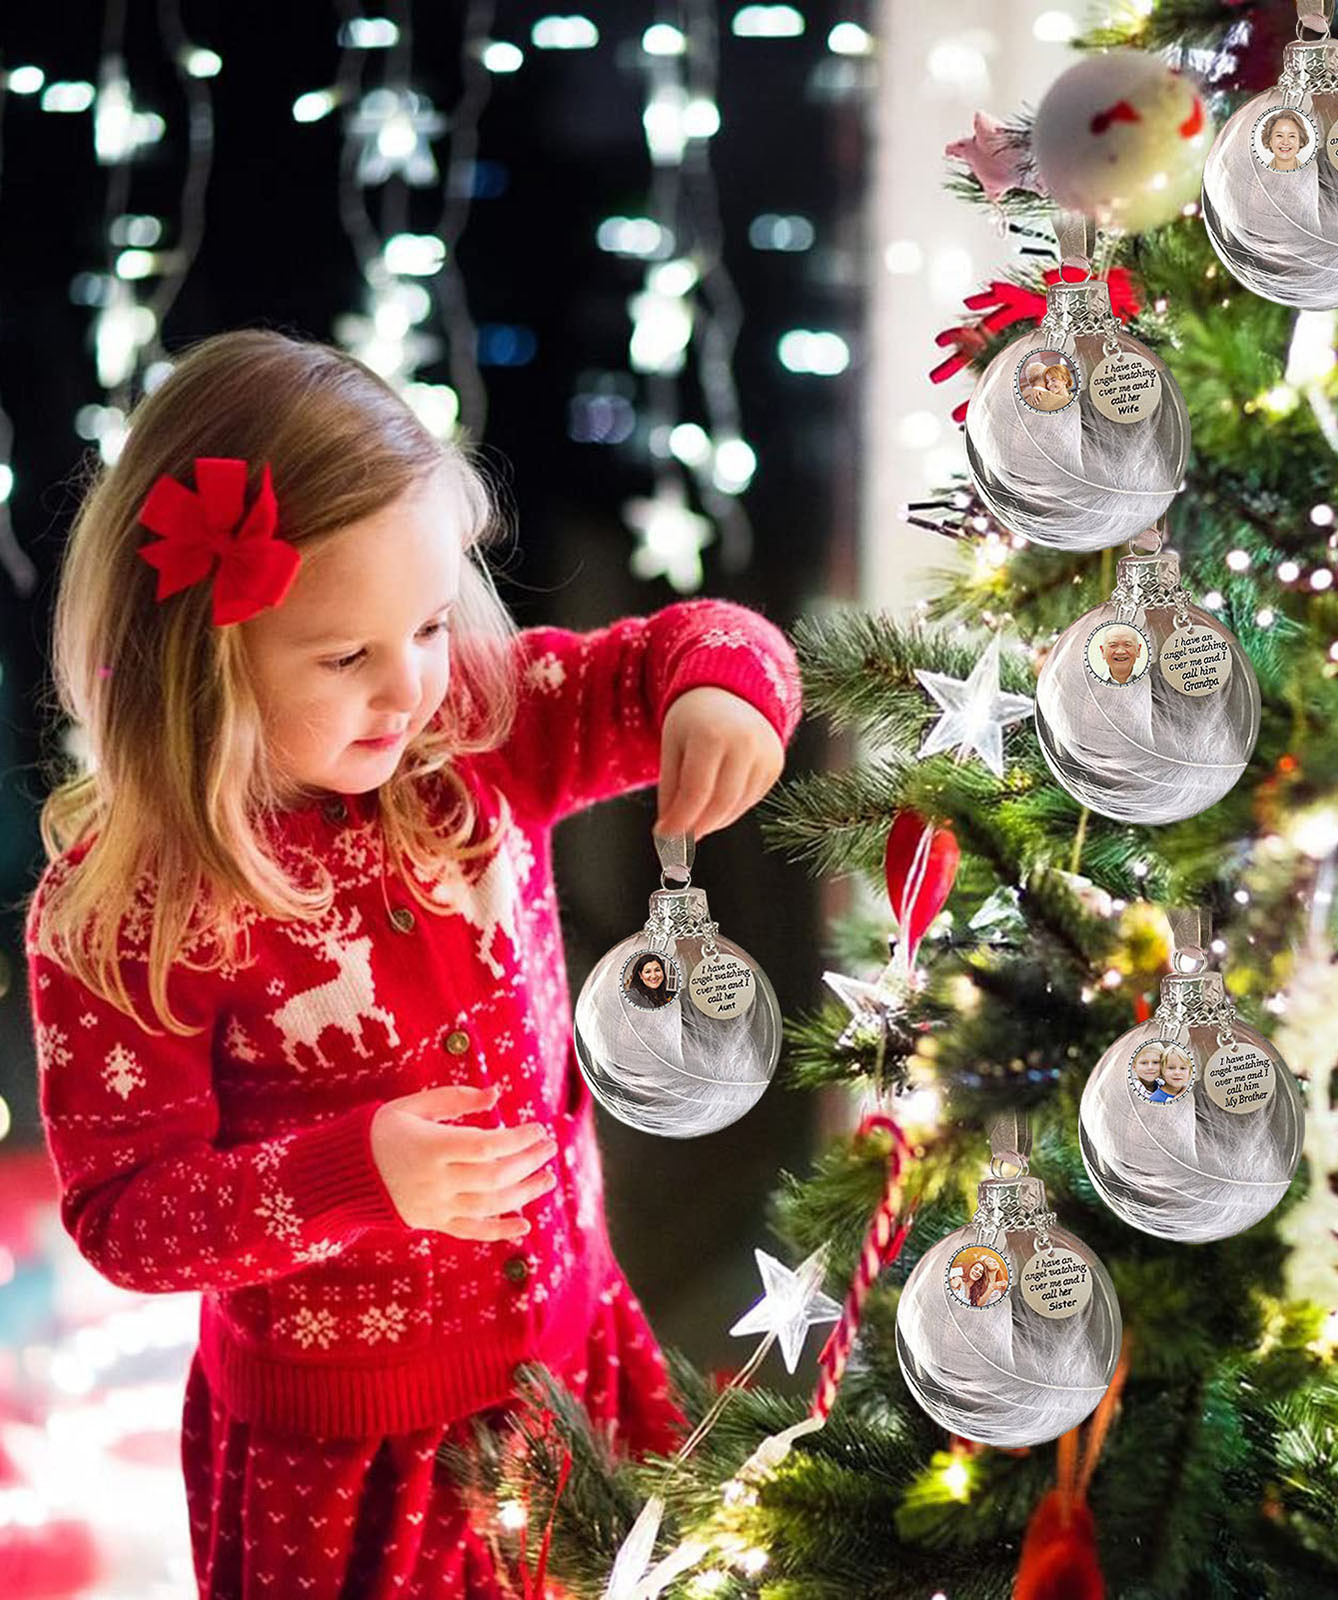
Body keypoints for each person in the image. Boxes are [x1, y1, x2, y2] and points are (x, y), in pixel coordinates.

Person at [22, 330, 803, 1599]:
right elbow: (127, 1219)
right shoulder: (130, 911)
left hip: (569, 1361)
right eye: (346, 657)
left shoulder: (478, 734)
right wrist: (354, 1176)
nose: (409, 689)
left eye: (432, 624)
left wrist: (718, 692)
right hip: (345, 1462)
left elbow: (690, 643)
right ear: (201, 659)